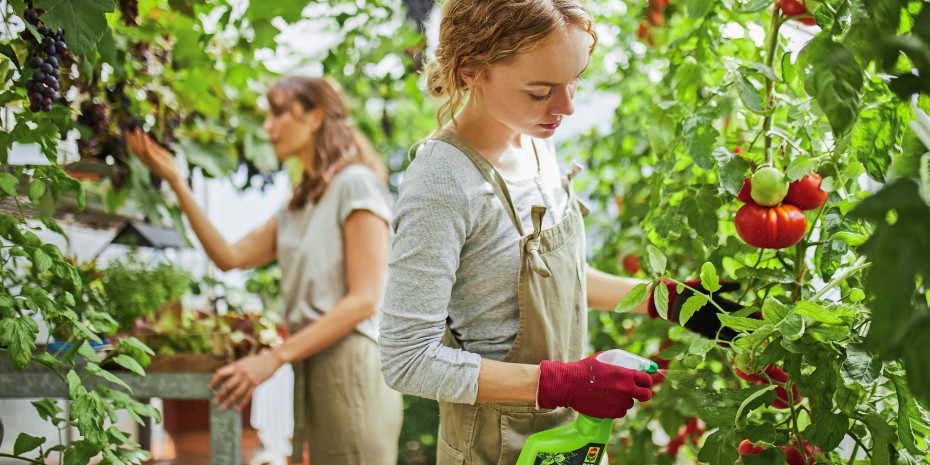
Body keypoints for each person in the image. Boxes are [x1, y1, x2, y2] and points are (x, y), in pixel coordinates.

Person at [378, 1, 739, 464]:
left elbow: (543, 279)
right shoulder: (443, 183)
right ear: (470, 72)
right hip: (495, 445)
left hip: (566, 434)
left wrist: (665, 299)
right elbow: (406, 360)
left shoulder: (530, 135)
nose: (566, 106)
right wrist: (564, 383)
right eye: (540, 90)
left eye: (574, 81)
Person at [125, 76, 403, 465]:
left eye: (279, 113)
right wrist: (175, 180)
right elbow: (229, 255)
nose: (267, 128)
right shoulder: (299, 205)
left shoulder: (355, 185)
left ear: (316, 117)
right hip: (312, 362)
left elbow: (363, 301)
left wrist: (272, 358)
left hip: (350, 364)